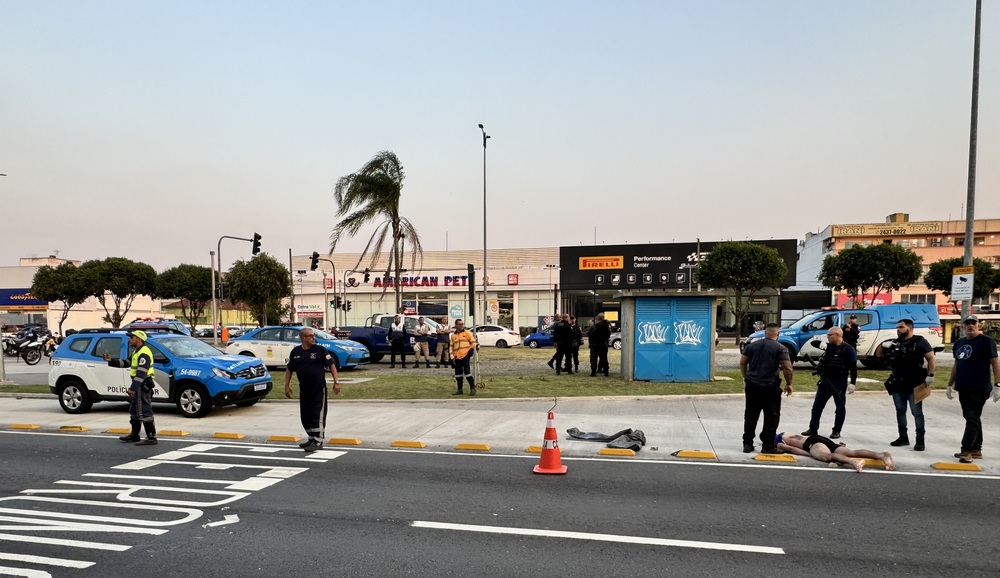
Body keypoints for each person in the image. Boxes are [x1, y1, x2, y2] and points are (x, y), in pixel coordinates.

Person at [875, 318, 935, 451]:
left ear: (910, 327)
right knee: (900, 411)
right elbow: (879, 356)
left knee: (917, 412)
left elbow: (930, 358)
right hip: (898, 383)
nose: (898, 329)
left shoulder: (920, 341)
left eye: (901, 327)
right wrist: (882, 345)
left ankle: (920, 440)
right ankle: (903, 437)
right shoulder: (894, 343)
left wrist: (930, 375)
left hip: (915, 383)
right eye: (897, 327)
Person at [947, 315, 1000, 463]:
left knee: (972, 417)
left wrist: (997, 384)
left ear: (978, 325)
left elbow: (995, 362)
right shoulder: (959, 343)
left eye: (973, 323)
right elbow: (957, 364)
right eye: (967, 323)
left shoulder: (986, 341)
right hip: (963, 386)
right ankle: (976, 448)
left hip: (979, 387)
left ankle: (966, 450)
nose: (970, 326)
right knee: (972, 418)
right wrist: (950, 384)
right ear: (962, 326)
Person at [283, 327, 340, 452]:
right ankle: (311, 438)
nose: (313, 338)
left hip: (319, 389)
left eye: (313, 335)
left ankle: (318, 441)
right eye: (311, 336)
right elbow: (289, 369)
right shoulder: (296, 352)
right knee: (305, 416)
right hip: (304, 390)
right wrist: (286, 385)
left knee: (317, 415)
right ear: (304, 338)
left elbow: (332, 365)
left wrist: (336, 382)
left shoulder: (320, 350)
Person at [740, 323, 794, 454]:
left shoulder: (752, 346)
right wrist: (789, 383)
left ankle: (747, 443)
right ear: (778, 334)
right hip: (770, 387)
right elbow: (787, 367)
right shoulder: (781, 348)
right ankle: (768, 445)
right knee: (771, 416)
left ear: (765, 333)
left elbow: (742, 362)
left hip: (752, 385)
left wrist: (746, 376)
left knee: (751, 415)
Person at [103, 330, 158, 446]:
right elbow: (126, 363)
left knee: (144, 410)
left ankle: (151, 437)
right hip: (139, 385)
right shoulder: (137, 352)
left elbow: (141, 373)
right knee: (134, 410)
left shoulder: (144, 353)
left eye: (131, 337)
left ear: (138, 339)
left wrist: (133, 388)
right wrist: (110, 360)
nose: (129, 339)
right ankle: (134, 435)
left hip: (142, 385)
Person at [802, 326, 857, 439]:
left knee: (840, 408)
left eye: (829, 335)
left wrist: (853, 383)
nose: (827, 337)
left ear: (837, 335)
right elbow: (814, 343)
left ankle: (836, 430)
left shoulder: (848, 349)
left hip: (839, 382)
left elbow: (853, 368)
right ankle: (813, 429)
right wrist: (822, 344)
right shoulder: (828, 347)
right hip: (825, 381)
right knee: (817, 406)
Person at [775, 432, 895, 473]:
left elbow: (792, 449)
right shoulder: (785, 433)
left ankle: (853, 463)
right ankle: (881, 455)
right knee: (851, 451)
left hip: (812, 443)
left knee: (827, 456)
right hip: (820, 438)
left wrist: (811, 453)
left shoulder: (777, 440)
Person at [450, 319, 478, 396]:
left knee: (467, 372)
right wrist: (451, 356)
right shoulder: (453, 335)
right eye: (460, 324)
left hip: (465, 355)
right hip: (456, 357)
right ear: (456, 325)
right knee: (458, 374)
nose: (462, 325)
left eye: (462, 324)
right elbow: (451, 346)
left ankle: (472, 388)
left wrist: (470, 351)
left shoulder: (467, 333)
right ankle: (459, 389)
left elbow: (473, 342)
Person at [587, 313, 612, 377]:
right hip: (603, 344)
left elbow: (589, 334)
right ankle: (606, 371)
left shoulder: (594, 327)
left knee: (593, 358)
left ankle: (593, 372)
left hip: (595, 345)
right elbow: (608, 335)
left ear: (596, 320)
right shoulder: (605, 327)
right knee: (604, 358)